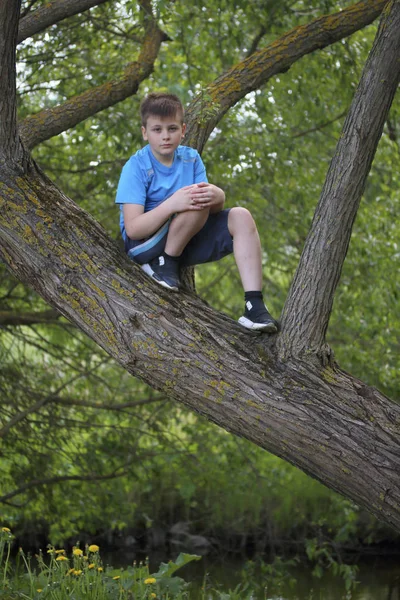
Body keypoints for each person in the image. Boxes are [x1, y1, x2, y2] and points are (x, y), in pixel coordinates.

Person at [115, 92, 278, 332]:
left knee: (241, 215)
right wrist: (172, 204)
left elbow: (209, 210)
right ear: (144, 132)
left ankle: (254, 306)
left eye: (171, 129)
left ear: (183, 129)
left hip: (184, 237)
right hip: (145, 244)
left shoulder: (191, 158)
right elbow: (133, 228)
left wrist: (218, 196)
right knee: (193, 200)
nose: (165, 136)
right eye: (157, 130)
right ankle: (164, 264)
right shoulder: (136, 166)